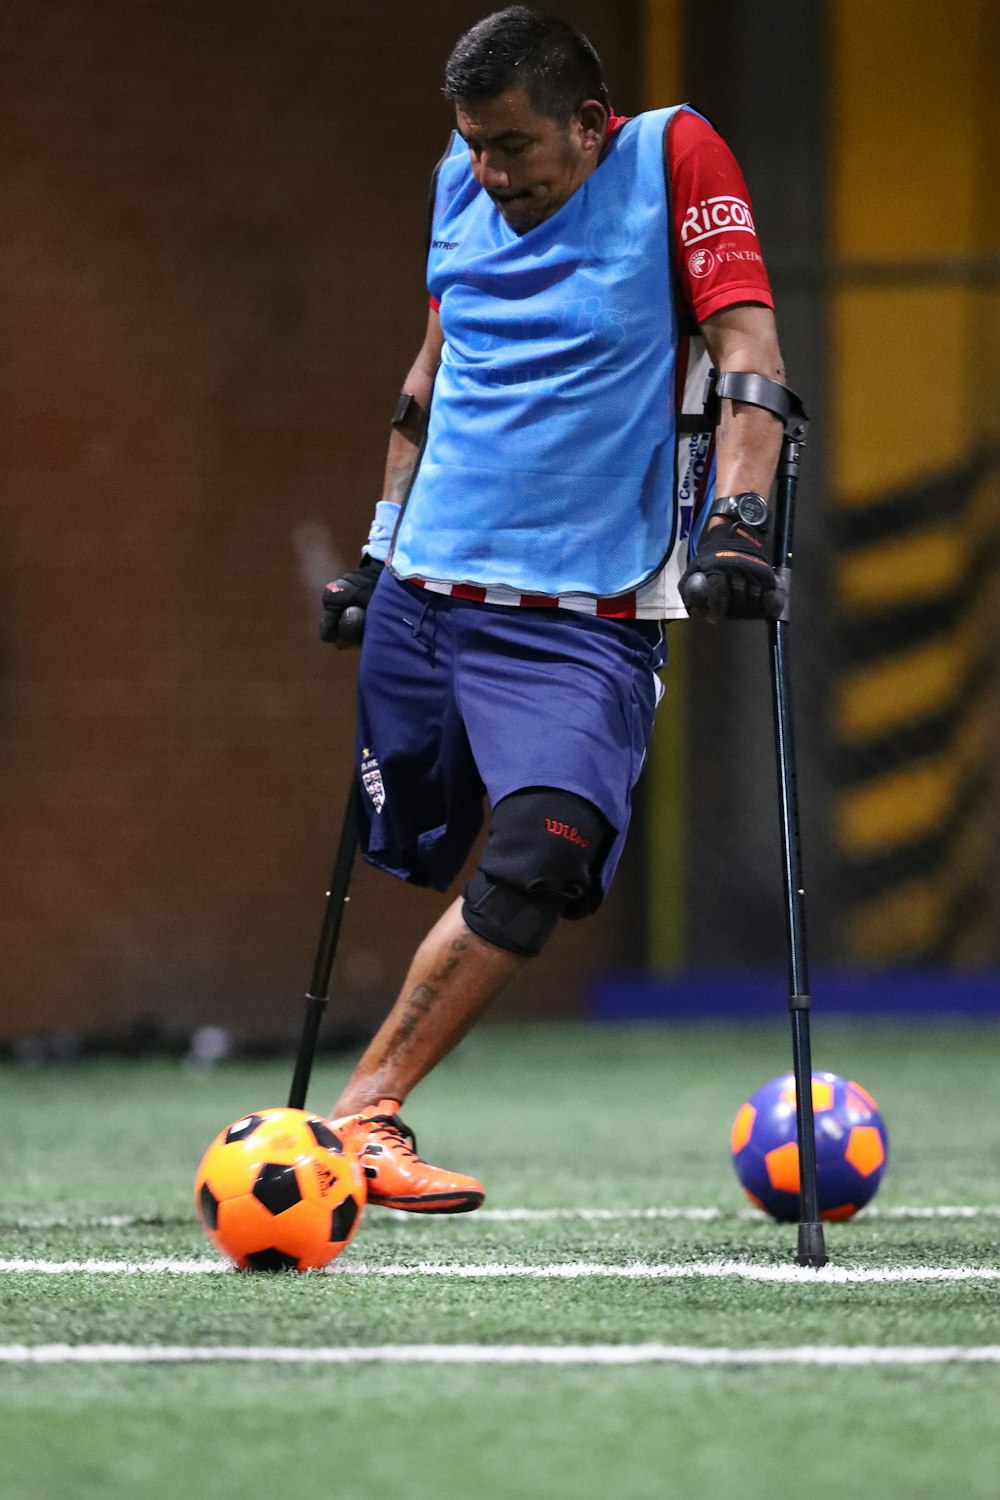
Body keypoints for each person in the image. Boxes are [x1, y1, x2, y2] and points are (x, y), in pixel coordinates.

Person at [319, 6, 788, 1213]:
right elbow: (432, 371)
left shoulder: (671, 157)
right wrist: (377, 553)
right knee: (412, 851)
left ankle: (362, 1116)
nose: (490, 172)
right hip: (426, 591)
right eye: (472, 143)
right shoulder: (458, 183)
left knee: (544, 856)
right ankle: (344, 1123)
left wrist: (737, 517)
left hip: (578, 616)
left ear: (588, 125)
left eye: (514, 146)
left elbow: (745, 345)